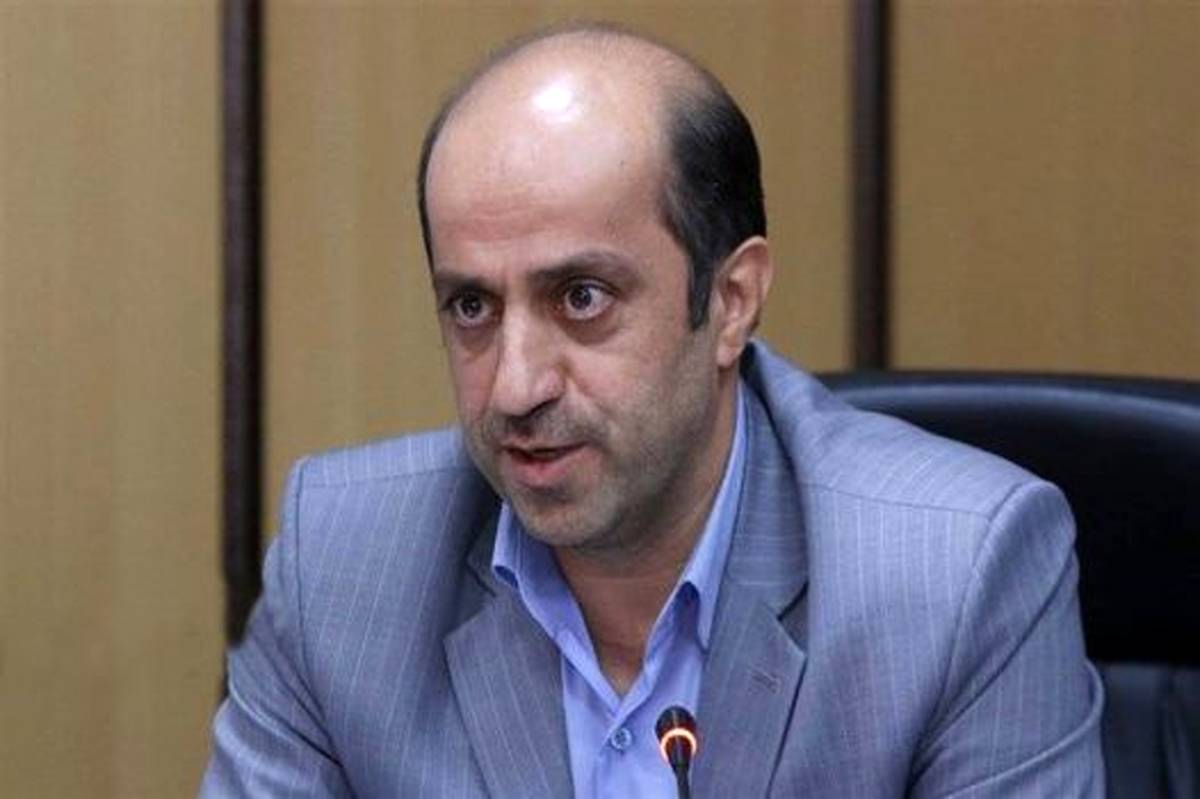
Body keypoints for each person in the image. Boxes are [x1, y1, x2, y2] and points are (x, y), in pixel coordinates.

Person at [203, 23, 1104, 797]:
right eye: (471, 306)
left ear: (733, 301)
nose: (515, 386)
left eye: (582, 297)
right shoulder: (346, 565)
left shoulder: (954, 573)